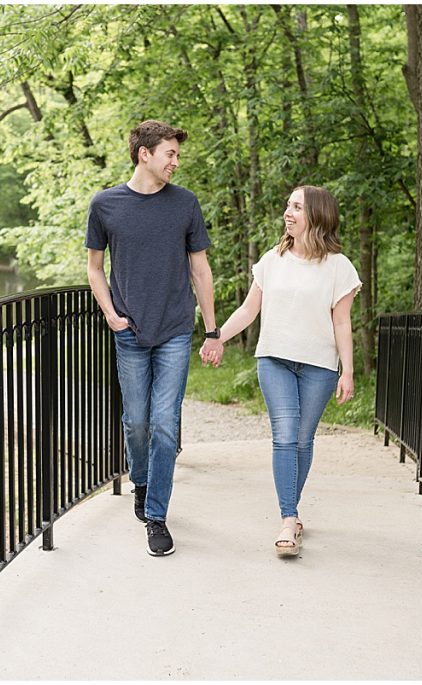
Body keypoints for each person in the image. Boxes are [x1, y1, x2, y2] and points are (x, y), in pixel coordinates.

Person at [200, 185, 360, 558]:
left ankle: (292, 510)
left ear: (317, 216)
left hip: (320, 366)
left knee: (303, 440)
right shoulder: (273, 259)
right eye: (288, 205)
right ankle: (288, 519)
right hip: (274, 359)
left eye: (297, 207)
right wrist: (217, 337)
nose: (288, 213)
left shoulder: (339, 267)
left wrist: (347, 371)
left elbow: (342, 324)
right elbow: (248, 310)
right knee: (285, 436)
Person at [86, 119, 218, 557]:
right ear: (145, 154)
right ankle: (141, 482)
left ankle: (157, 515)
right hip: (130, 332)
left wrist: (212, 329)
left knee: (165, 424)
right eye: (170, 154)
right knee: (137, 422)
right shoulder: (105, 205)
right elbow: (94, 267)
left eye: (177, 155)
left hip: (175, 330)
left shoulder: (185, 204)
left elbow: (200, 268)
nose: (176, 162)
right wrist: (111, 314)